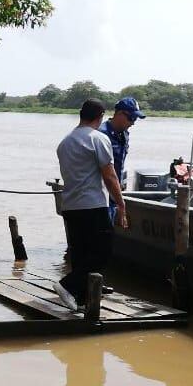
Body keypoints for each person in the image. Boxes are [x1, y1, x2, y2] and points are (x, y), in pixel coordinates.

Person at [53, 99, 128, 311]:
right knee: (103, 251)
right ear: (101, 116)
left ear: (80, 114)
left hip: (70, 205)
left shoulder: (65, 142)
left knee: (80, 254)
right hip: (93, 205)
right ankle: (66, 285)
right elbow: (110, 176)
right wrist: (121, 205)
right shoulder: (98, 139)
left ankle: (81, 299)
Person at [100, 97, 144, 221]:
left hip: (114, 195)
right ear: (119, 114)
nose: (133, 123)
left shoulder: (124, 135)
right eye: (131, 118)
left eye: (135, 119)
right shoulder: (102, 134)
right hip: (100, 196)